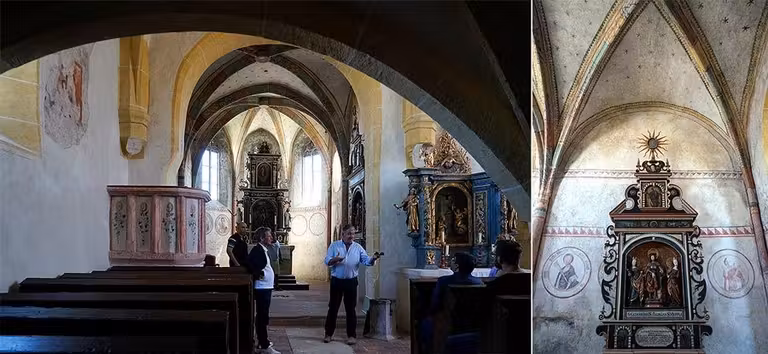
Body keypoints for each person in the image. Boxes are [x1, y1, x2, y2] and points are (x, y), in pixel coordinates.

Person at [323, 224, 381, 345]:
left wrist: (373, 258)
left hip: (351, 282)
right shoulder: (334, 245)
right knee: (333, 308)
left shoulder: (358, 247)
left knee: (351, 310)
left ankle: (351, 335)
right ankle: (328, 334)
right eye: (349, 233)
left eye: (353, 233)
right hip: (337, 281)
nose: (352, 236)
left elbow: (366, 260)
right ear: (342, 234)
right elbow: (327, 260)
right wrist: (336, 259)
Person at [246, 227, 280, 354]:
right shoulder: (257, 250)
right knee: (262, 316)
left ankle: (262, 341)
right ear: (261, 238)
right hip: (262, 288)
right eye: (268, 236)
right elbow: (248, 263)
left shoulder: (263, 249)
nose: (271, 237)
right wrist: (258, 273)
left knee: (263, 316)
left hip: (266, 287)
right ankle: (265, 345)